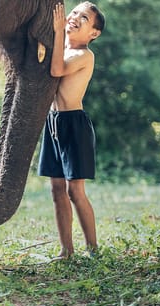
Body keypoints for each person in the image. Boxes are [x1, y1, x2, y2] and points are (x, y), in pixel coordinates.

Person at [38, 1, 105, 259]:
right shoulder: (63, 48)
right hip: (53, 123)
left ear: (94, 34)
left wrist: (56, 30)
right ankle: (66, 250)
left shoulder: (84, 55)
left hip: (74, 125)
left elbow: (56, 69)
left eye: (84, 18)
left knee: (74, 191)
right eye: (74, 12)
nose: (75, 17)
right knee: (56, 190)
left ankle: (93, 249)